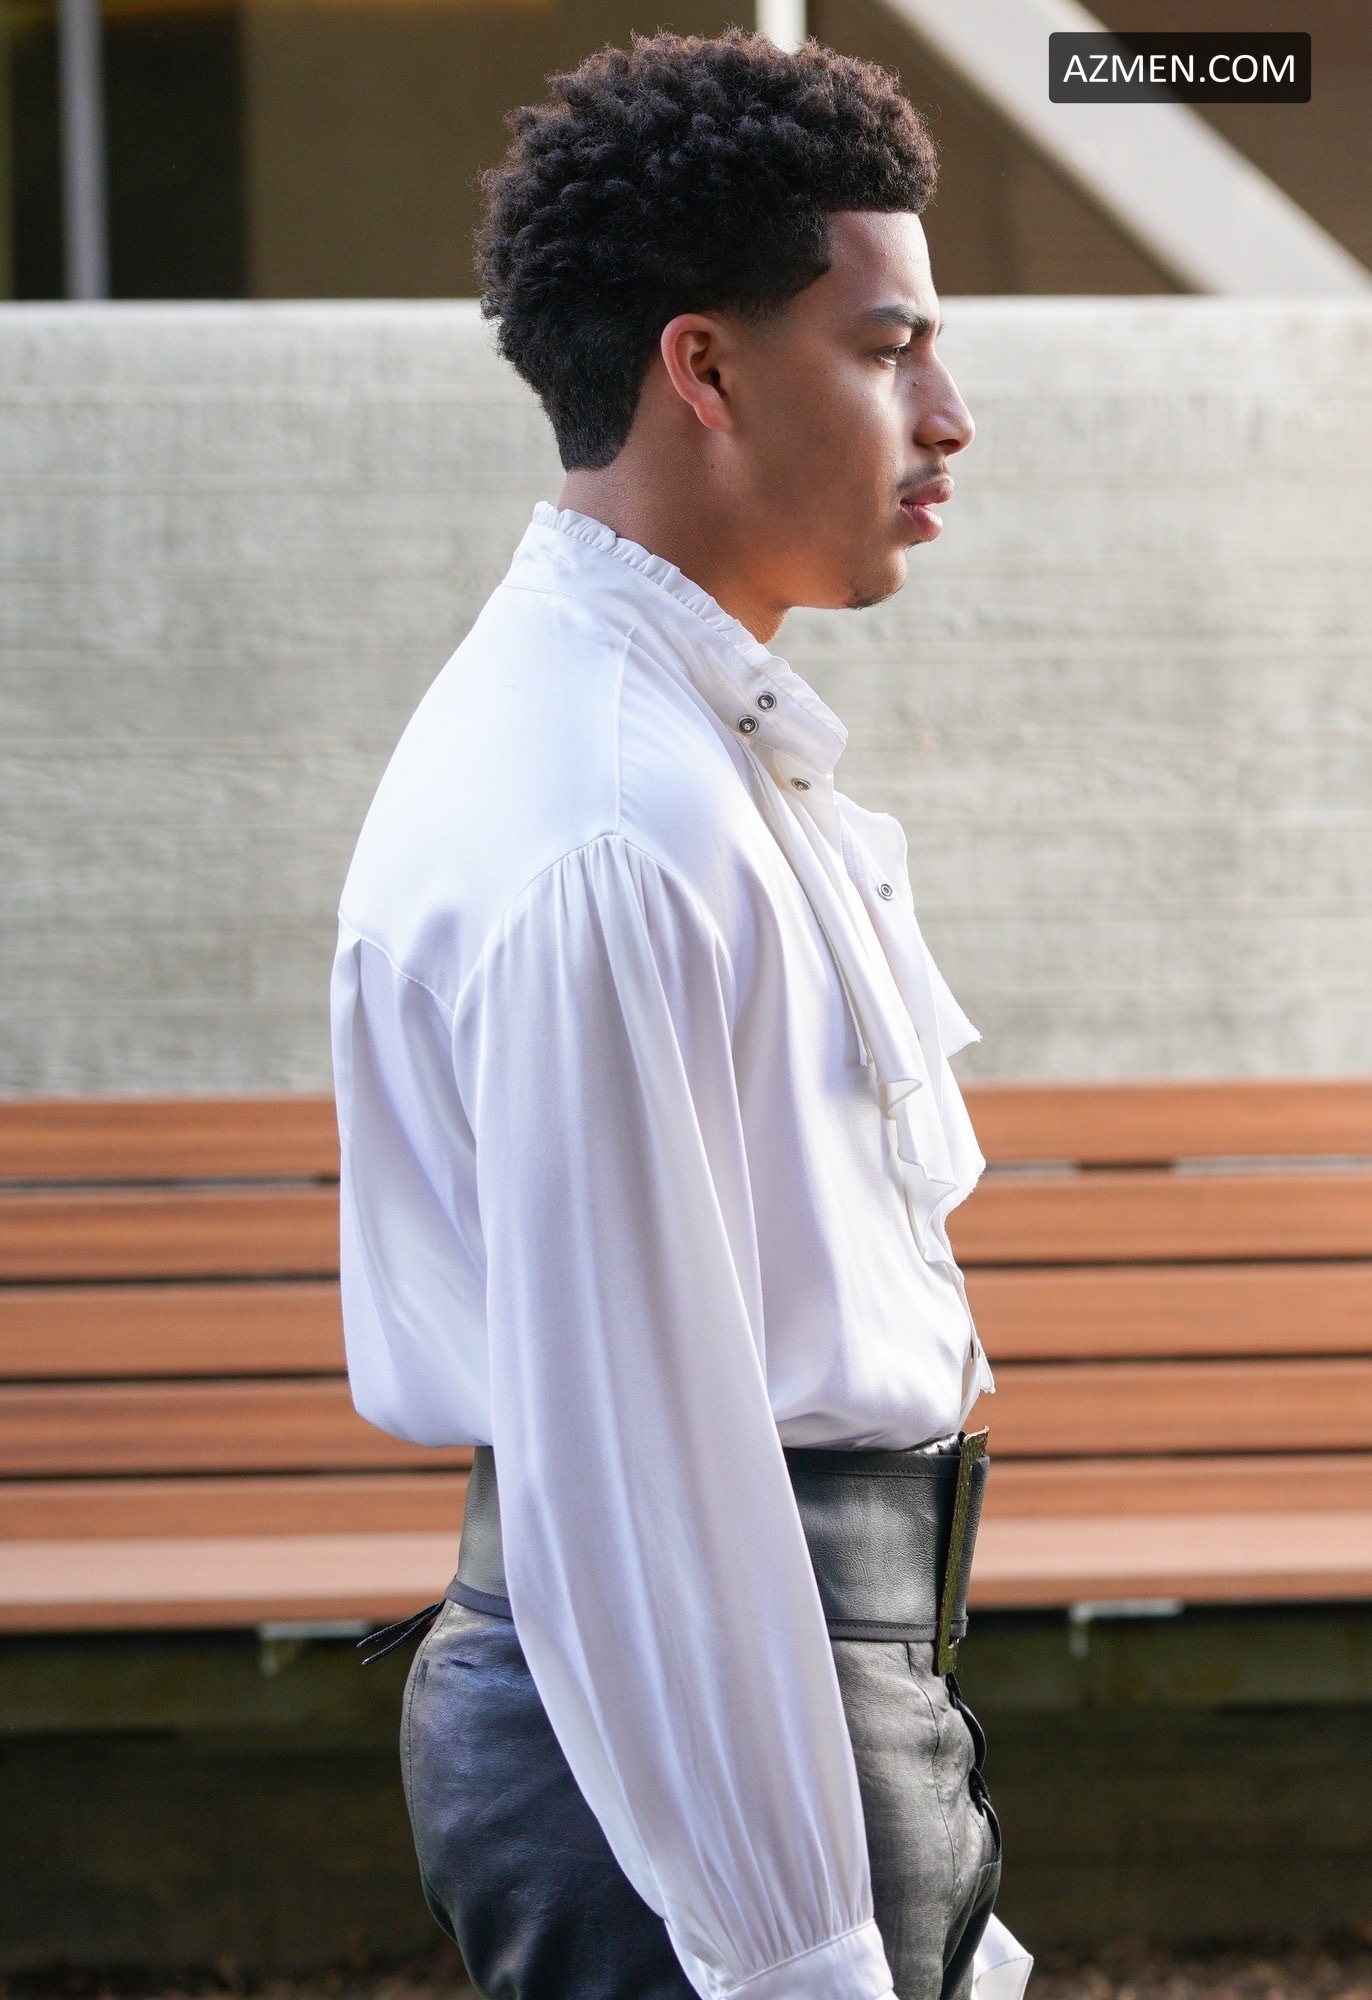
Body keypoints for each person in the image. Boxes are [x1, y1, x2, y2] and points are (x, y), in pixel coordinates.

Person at [332, 30, 1032, 2000]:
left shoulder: (666, 746)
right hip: (695, 1732)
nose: (950, 415)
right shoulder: (611, 820)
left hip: (783, 1694)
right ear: (701, 370)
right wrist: (795, 1948)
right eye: (887, 348)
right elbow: (642, 1470)